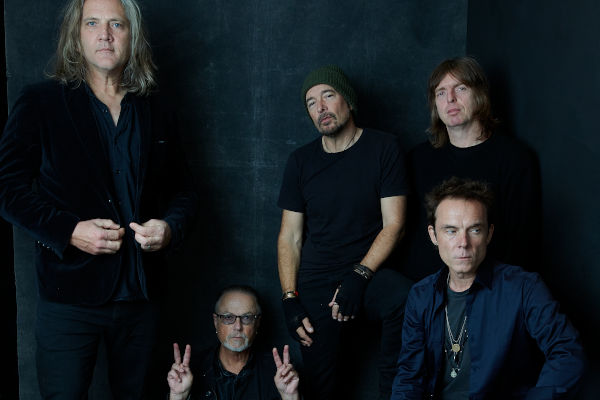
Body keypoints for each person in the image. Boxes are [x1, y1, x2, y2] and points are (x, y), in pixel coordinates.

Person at [0, 0, 198, 398]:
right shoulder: (41, 102)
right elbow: (8, 189)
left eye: (116, 24)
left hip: (141, 297)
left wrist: (170, 228)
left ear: (132, 35)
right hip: (68, 297)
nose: (104, 34)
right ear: (76, 35)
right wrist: (69, 231)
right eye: (92, 23)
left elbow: (185, 191)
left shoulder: (157, 110)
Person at [277, 65, 413, 399]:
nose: (320, 107)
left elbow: (394, 224)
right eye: (311, 103)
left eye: (328, 95)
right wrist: (290, 298)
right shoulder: (300, 161)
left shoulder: (384, 147)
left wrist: (360, 275)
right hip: (317, 282)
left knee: (405, 298)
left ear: (348, 101)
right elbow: (290, 237)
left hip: (367, 271)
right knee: (323, 388)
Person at [391, 177, 585, 399]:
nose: (463, 243)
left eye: (474, 230)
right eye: (451, 231)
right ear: (433, 235)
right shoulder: (421, 295)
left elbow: (568, 353)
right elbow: (409, 377)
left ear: (489, 234)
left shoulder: (524, 287)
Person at [401, 56, 541, 282]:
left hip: (488, 286)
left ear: (480, 95)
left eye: (461, 88)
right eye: (441, 93)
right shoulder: (417, 159)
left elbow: (522, 240)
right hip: (424, 286)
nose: (450, 98)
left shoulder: (514, 158)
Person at [167, 285, 300, 400]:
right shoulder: (190, 371)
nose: (238, 326)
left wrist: (290, 397)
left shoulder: (279, 372)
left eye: (246, 317)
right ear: (216, 321)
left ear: (257, 323)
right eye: (228, 317)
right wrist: (178, 396)